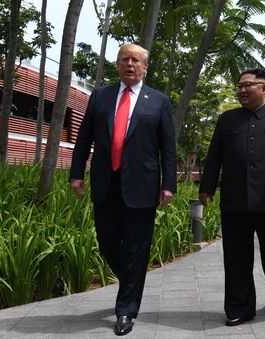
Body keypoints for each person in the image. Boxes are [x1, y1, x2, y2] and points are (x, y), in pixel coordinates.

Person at [70, 44, 176, 336]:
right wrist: (76, 173)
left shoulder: (158, 101)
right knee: (107, 244)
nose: (130, 64)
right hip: (106, 182)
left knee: (135, 249)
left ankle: (126, 310)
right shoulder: (100, 96)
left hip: (142, 185)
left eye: (136, 60)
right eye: (124, 59)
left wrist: (169, 184)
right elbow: (83, 138)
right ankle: (132, 281)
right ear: (117, 65)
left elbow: (167, 147)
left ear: (145, 67)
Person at [199, 68, 265, 326]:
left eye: (248, 85)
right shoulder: (226, 120)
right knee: (236, 257)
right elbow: (214, 157)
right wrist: (206, 187)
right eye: (239, 85)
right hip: (234, 201)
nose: (242, 90)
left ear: (264, 88)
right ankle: (239, 307)